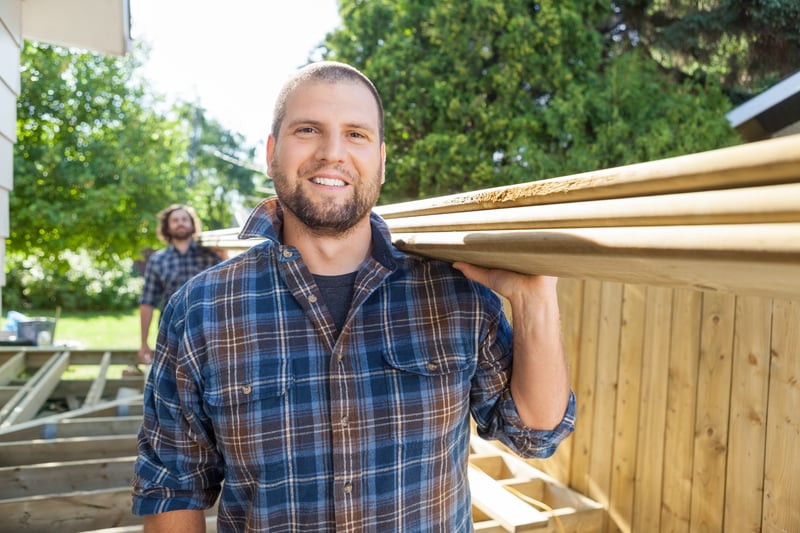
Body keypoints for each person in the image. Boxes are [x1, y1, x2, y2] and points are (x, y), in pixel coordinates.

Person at [132, 61, 575, 532]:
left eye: (356, 134)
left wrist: (535, 301)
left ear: (381, 162)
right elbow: (172, 485)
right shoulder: (201, 310)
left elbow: (535, 435)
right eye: (308, 130)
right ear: (271, 152)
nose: (332, 152)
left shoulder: (456, 291)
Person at [135, 204, 224, 369]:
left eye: (184, 219)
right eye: (175, 220)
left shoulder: (211, 256)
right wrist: (144, 343)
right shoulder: (157, 260)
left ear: (192, 224)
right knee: (173, 381)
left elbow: (224, 294)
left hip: (207, 334)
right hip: (171, 335)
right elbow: (147, 302)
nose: (180, 223)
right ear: (167, 227)